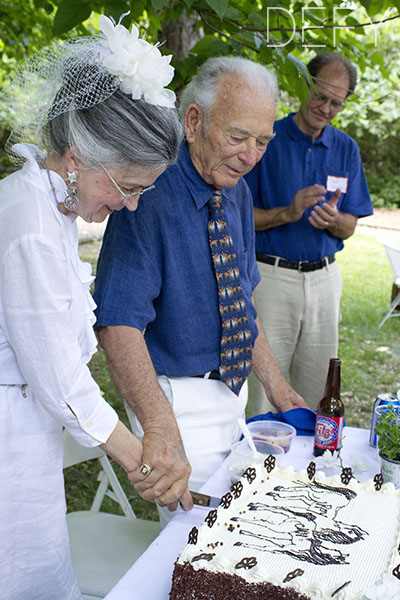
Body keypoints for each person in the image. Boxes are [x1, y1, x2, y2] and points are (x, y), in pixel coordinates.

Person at [0, 15, 183, 600]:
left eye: (142, 192)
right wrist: (141, 462)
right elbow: (56, 378)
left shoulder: (52, 207)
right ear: (78, 155)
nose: (130, 206)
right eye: (127, 186)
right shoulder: (28, 219)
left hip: (29, 430)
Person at [94, 56, 308, 527]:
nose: (251, 156)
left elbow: (241, 303)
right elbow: (117, 323)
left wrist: (276, 386)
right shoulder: (146, 192)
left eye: (262, 141)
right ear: (194, 122)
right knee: (202, 545)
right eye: (238, 137)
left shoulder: (235, 188)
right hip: (172, 400)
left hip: (231, 396)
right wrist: (158, 425)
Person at [244, 52, 373, 413]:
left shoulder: (345, 148)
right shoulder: (267, 140)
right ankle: (261, 466)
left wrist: (335, 220)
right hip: (271, 277)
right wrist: (287, 213)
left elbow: (351, 226)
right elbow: (240, 217)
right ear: (304, 86)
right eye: (321, 96)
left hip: (324, 281)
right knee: (264, 393)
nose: (326, 108)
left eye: (337, 102)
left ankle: (310, 468)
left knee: (319, 389)